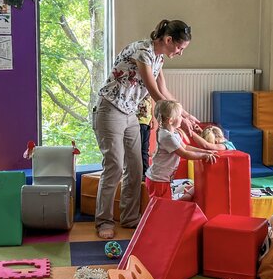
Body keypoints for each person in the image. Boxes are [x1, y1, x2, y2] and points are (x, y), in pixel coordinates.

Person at [92, 19, 199, 240]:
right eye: (179, 47)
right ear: (168, 40)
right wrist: (180, 120)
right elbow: (155, 94)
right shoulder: (143, 52)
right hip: (110, 109)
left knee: (135, 167)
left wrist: (187, 115)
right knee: (114, 165)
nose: (180, 52)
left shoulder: (159, 58)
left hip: (129, 113)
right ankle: (104, 221)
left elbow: (165, 91)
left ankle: (130, 218)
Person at [146, 100, 216, 200]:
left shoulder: (173, 132)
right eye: (179, 116)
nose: (182, 119)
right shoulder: (167, 137)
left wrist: (205, 151)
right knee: (162, 207)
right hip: (158, 180)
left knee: (164, 205)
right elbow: (185, 154)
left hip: (162, 179)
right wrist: (203, 156)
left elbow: (186, 147)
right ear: (170, 121)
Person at [137, 95, 153, 177]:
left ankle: (145, 171)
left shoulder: (149, 93)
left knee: (145, 149)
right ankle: (142, 172)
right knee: (139, 149)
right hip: (138, 122)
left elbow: (151, 104)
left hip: (147, 122)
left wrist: (152, 119)